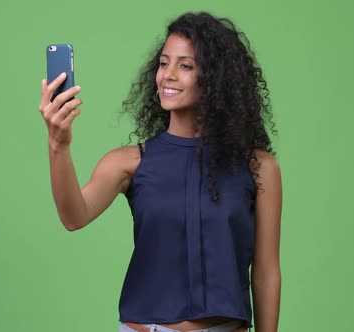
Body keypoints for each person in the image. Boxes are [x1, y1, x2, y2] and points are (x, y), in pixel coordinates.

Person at [38, 12, 281, 332]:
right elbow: (73, 216)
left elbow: (265, 273)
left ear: (217, 78)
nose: (168, 75)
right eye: (164, 63)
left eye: (185, 66)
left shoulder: (258, 167)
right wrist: (58, 144)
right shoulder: (127, 162)